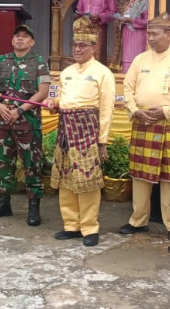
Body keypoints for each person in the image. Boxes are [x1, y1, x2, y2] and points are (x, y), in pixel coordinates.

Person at [119, 14, 170, 241]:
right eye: (148, 34)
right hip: (143, 123)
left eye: (154, 34)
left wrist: (167, 111)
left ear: (168, 35)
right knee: (140, 175)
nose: (150, 38)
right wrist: (135, 110)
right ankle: (138, 220)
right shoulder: (140, 59)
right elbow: (127, 87)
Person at [44, 16, 115, 246]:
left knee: (88, 181)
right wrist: (54, 104)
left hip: (87, 130)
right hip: (65, 129)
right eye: (75, 45)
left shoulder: (103, 73)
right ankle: (71, 225)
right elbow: (62, 100)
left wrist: (102, 141)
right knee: (66, 179)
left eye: (83, 45)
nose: (77, 49)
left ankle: (89, 228)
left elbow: (106, 110)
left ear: (94, 47)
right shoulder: (66, 72)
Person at [0, 25, 50, 225]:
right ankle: (3, 203)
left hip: (27, 123)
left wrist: (19, 110)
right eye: (17, 36)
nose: (20, 39)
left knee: (32, 165)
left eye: (25, 36)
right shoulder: (1, 61)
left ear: (32, 41)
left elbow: (42, 92)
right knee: (2, 163)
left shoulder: (39, 63)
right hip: (3, 121)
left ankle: (33, 207)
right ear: (12, 40)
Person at [75, 0, 117, 64]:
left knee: (97, 57)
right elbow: (79, 10)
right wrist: (77, 15)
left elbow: (114, 13)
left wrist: (100, 16)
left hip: (99, 29)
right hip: (84, 29)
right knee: (84, 56)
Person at [119, 0, 149, 72]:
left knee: (136, 60)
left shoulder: (144, 1)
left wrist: (131, 21)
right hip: (128, 33)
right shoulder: (132, 0)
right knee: (127, 60)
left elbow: (147, 21)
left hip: (137, 35)